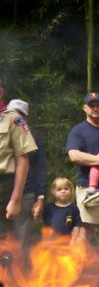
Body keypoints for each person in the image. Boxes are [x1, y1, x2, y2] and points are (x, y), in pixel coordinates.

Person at [66, 92, 99, 249]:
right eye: (91, 105)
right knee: (86, 229)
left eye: (98, 105)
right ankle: (80, 268)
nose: (95, 108)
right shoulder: (78, 130)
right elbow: (73, 155)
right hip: (89, 187)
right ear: (84, 108)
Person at [6, 100, 47, 243]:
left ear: (26, 118)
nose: (16, 117)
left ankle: (22, 265)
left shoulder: (34, 139)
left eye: (20, 114)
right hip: (4, 193)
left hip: (26, 194)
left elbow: (41, 168)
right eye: (12, 113)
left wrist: (40, 197)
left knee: (22, 239)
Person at [0, 98, 37, 237]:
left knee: (4, 241)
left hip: (3, 187)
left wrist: (15, 200)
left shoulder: (13, 119)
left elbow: (23, 160)